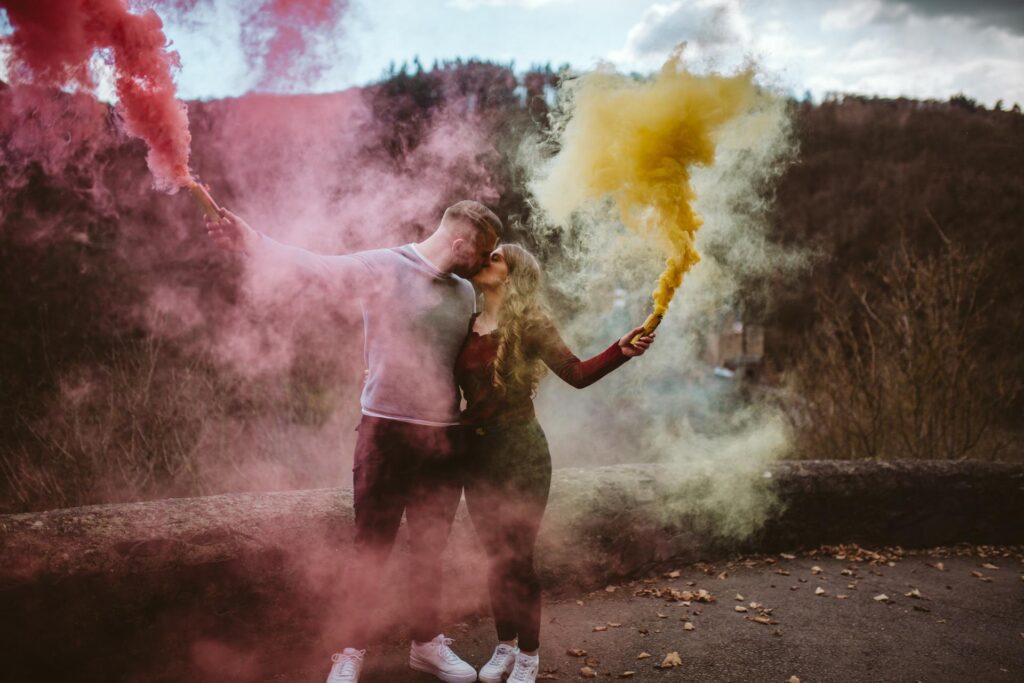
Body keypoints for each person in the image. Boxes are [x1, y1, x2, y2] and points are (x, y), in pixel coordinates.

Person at [205, 200, 501, 683]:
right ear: (460, 243)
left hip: (444, 438)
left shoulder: (467, 292)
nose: (484, 263)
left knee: (430, 549)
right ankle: (349, 651)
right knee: (371, 548)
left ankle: (426, 645)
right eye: (482, 252)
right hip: (384, 433)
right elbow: (314, 268)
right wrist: (250, 242)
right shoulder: (384, 266)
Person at [456, 244, 654, 683]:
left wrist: (620, 350)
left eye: (495, 257)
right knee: (494, 558)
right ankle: (504, 645)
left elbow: (576, 374)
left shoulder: (530, 323)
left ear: (511, 275)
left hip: (522, 453)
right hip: (476, 456)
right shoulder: (466, 324)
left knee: (518, 558)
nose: (484, 259)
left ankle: (529, 654)